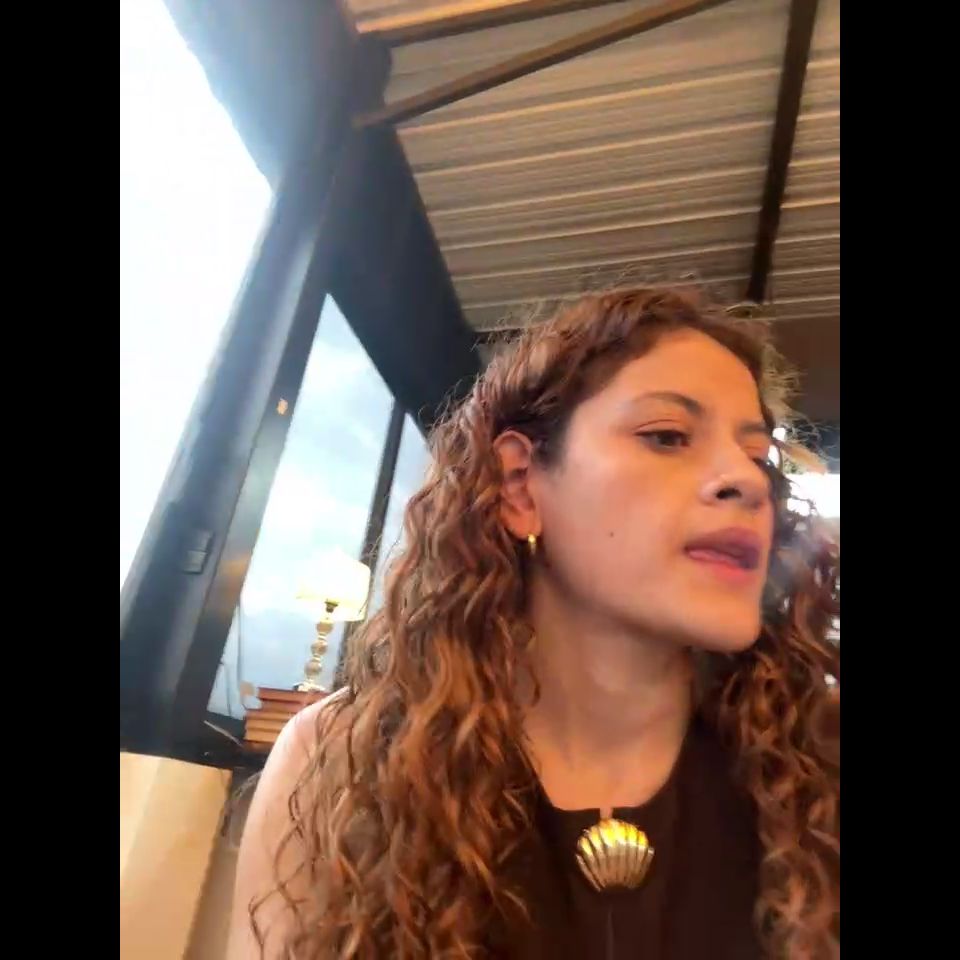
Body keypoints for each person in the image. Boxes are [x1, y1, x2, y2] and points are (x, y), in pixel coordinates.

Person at [229, 288, 840, 959]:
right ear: (520, 484)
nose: (745, 481)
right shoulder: (337, 761)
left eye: (758, 456)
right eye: (667, 436)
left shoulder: (819, 764)